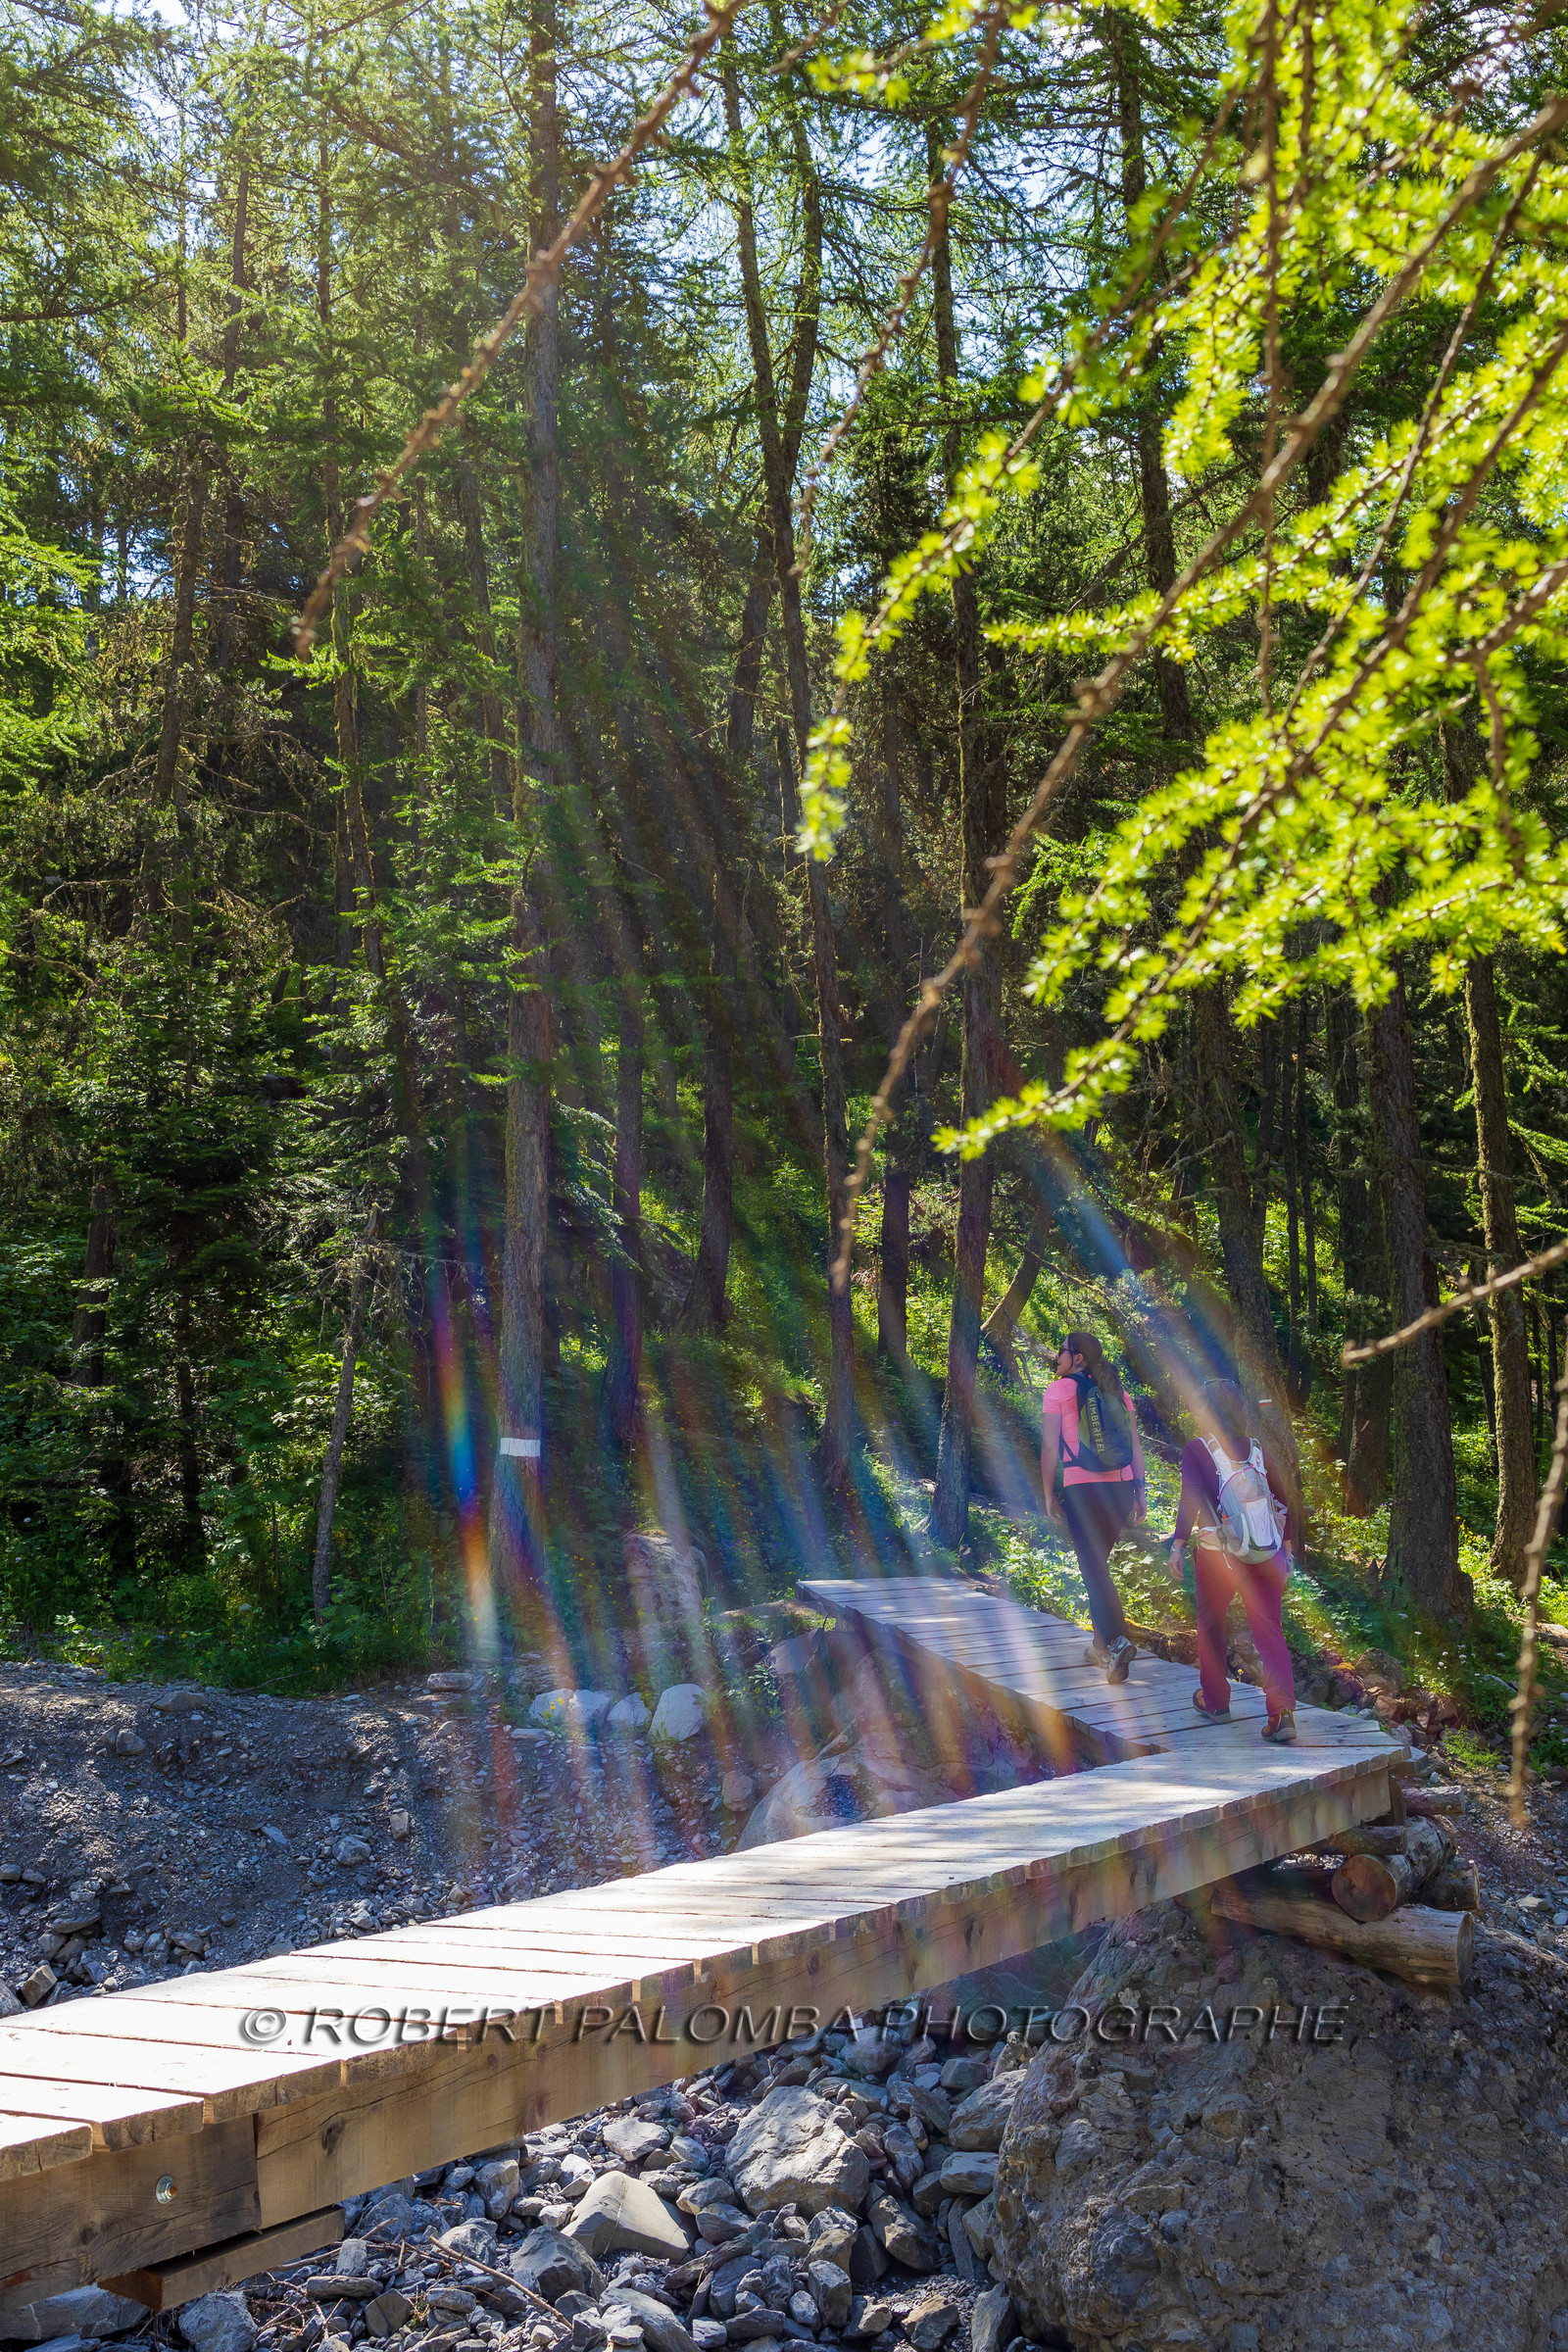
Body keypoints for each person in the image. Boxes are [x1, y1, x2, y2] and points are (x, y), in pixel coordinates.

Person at [1167, 1378, 1298, 1743]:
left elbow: (1190, 1498)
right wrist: (1286, 1550)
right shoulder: (1258, 1450)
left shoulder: (1197, 1449)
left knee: (1211, 1626)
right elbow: (1285, 1498)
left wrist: (1178, 1544)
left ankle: (1216, 1703)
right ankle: (1282, 1713)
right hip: (1266, 1553)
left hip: (1218, 1556)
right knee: (1269, 1630)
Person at [1041, 1330, 1147, 1683]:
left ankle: (1117, 1641)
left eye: (1062, 1351)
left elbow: (1050, 1448)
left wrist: (1047, 1493)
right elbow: (1134, 1443)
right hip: (1120, 1489)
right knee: (1097, 1563)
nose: (1057, 1356)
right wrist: (1140, 1491)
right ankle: (1101, 1645)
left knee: (1091, 1568)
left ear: (1078, 1358)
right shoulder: (1116, 1390)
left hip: (1082, 1489)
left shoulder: (1058, 1391)